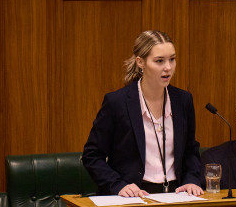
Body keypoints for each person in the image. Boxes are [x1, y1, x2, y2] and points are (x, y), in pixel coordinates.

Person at [82, 30, 203, 197]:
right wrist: (118, 185)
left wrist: (192, 179)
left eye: (172, 59)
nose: (168, 67)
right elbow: (92, 155)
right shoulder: (117, 102)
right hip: (134, 196)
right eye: (159, 61)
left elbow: (190, 150)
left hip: (177, 194)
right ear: (141, 62)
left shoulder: (183, 100)